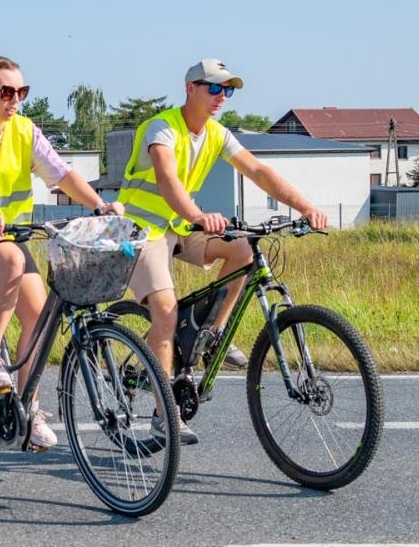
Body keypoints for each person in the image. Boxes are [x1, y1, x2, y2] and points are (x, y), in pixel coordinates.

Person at [118, 58, 330, 444]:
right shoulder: (162, 128)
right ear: (191, 89)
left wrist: (306, 208)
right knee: (164, 312)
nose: (221, 97)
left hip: (180, 227)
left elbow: (259, 172)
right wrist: (198, 214)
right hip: (142, 230)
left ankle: (213, 334)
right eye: (214, 88)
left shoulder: (217, 133)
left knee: (242, 250)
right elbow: (167, 179)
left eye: (227, 90)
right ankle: (163, 415)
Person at [0, 55, 122, 451]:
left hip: (6, 233)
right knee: (11, 259)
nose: (15, 99)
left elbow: (62, 174)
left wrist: (99, 206)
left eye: (22, 91)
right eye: (6, 91)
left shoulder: (25, 131)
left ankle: (27, 409)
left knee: (41, 321)